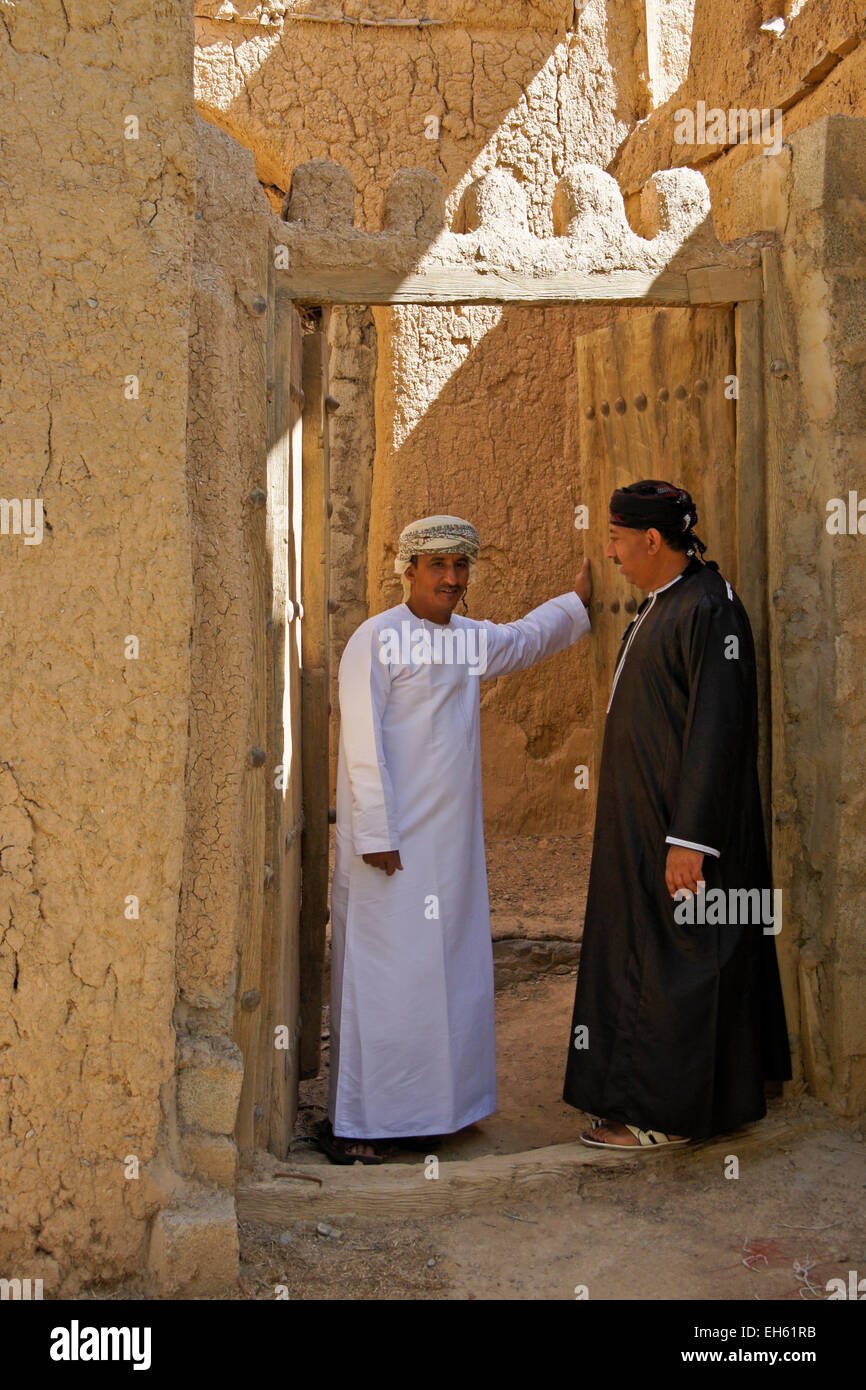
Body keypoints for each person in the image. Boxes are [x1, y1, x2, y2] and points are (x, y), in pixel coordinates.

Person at [320, 514, 592, 1163]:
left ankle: (437, 1111)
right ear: (408, 570)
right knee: (383, 982)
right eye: (437, 564)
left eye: (460, 566)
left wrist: (582, 604)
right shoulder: (375, 640)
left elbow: (528, 638)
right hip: (386, 851)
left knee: (446, 976)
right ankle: (364, 1123)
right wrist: (377, 832)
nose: (450, 577)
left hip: (451, 852)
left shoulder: (469, 640)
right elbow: (360, 742)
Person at [563, 480, 791, 1149]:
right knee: (640, 957)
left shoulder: (711, 609)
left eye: (616, 539)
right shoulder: (664, 605)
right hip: (644, 827)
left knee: (678, 963)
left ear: (653, 540)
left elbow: (718, 731)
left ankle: (662, 1118)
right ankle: (636, 1097)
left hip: (682, 834)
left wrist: (688, 840)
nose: (609, 553)